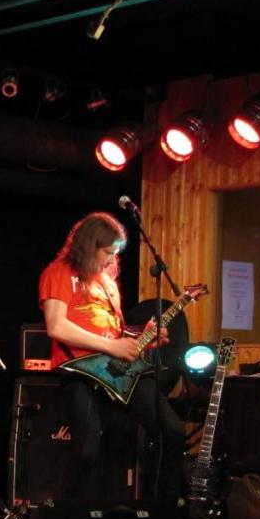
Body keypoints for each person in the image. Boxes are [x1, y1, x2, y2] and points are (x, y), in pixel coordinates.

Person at [39, 211, 186, 502]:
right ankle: (61, 513)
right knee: (87, 449)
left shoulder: (106, 282)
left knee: (171, 430)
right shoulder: (59, 272)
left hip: (115, 371)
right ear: (89, 245)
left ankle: (166, 510)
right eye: (108, 252)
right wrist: (112, 347)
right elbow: (56, 326)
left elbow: (114, 334)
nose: (112, 260)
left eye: (116, 253)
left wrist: (142, 339)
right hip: (79, 371)